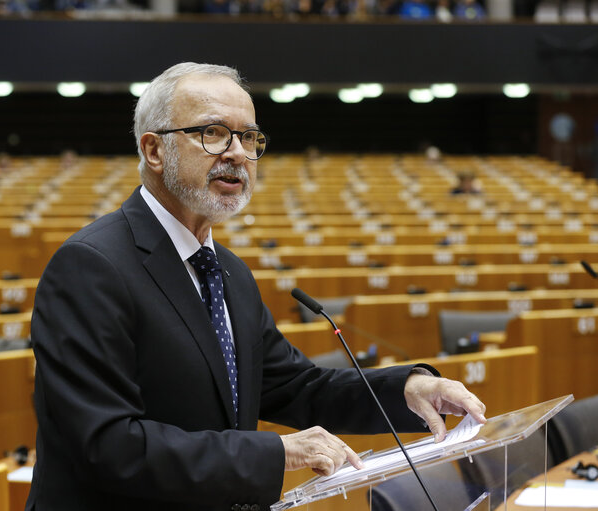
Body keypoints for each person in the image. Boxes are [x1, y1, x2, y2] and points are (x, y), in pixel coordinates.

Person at [27, 62, 487, 511]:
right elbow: (108, 445)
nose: (237, 153)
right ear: (153, 150)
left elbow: (294, 387)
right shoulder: (91, 267)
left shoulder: (227, 271)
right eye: (212, 133)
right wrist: (277, 453)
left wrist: (405, 389)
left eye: (248, 137)